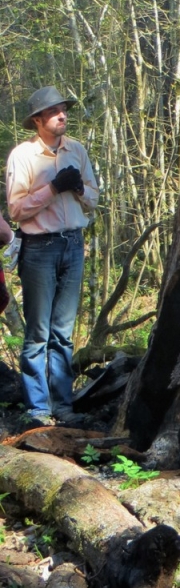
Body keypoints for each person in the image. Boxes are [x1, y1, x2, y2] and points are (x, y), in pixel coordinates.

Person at [6, 86, 99, 426]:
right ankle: (38, 408)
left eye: (64, 109)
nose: (63, 115)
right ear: (38, 120)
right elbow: (16, 209)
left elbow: (93, 197)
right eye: (55, 111)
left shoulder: (77, 150)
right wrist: (53, 188)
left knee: (63, 331)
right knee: (38, 333)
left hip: (73, 243)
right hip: (40, 249)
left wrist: (76, 188)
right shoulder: (23, 156)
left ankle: (63, 405)